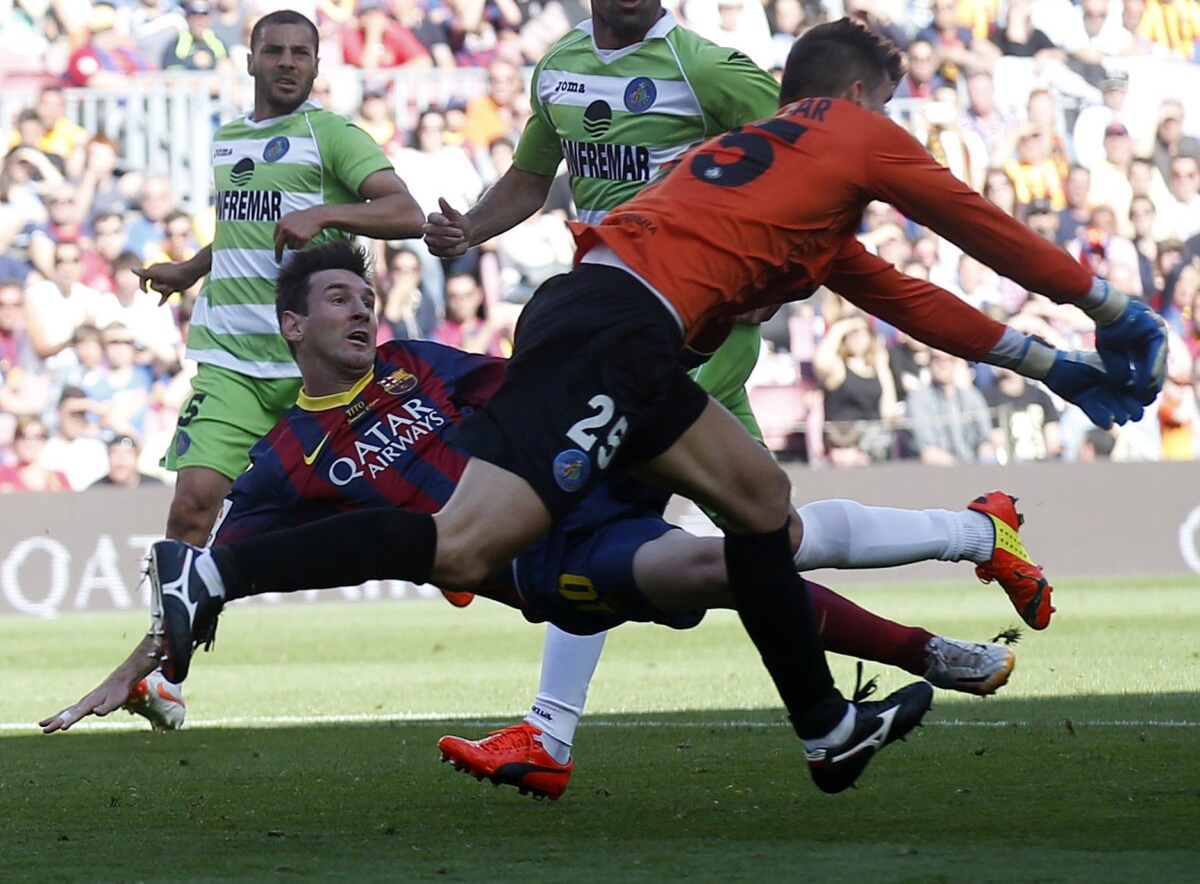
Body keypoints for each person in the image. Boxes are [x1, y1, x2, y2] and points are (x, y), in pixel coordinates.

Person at [147, 22, 1164, 801]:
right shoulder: (848, 130)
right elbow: (976, 222)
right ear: (857, 95)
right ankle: (219, 572)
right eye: (883, 105)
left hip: (600, 326)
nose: (883, 122)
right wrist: (1109, 309)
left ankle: (824, 727)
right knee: (471, 546)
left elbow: (900, 294)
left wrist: (1049, 363)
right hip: (616, 336)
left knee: (756, 503)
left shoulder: (762, 176)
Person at [46, 244, 1023, 750]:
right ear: (293, 326)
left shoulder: (419, 362)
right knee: (733, 564)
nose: (363, 309)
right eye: (339, 298)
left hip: (578, 475)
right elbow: (210, 576)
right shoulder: (284, 460)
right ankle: (930, 649)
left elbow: (533, 386)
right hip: (545, 558)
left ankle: (733, 308)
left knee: (772, 519)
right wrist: (135, 669)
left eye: (366, 296)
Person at [425, 0, 781, 791]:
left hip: (692, 328)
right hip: (612, 323)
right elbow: (530, 177)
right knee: (763, 529)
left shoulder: (706, 69)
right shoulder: (560, 68)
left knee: (595, 506)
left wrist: (768, 277)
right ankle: (967, 540)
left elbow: (801, 159)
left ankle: (546, 726)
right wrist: (469, 229)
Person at [132, 10, 423, 710]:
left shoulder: (331, 135)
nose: (288, 62)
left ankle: (473, 553)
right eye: (275, 51)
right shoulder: (230, 139)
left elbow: (406, 213)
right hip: (231, 360)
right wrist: (190, 268)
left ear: (316, 66)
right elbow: (244, 228)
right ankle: (165, 672)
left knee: (377, 501)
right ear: (251, 60)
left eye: (301, 53)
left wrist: (327, 214)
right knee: (192, 505)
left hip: (310, 370)